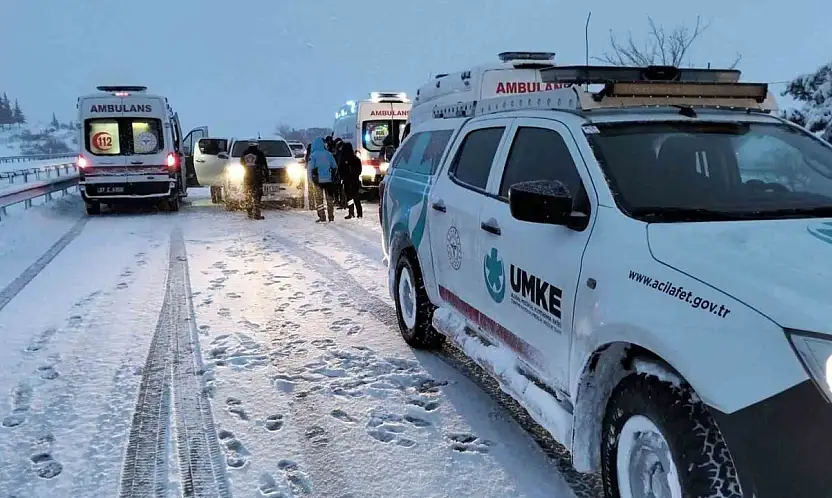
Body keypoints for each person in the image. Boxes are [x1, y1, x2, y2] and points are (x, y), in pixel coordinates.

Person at [308, 137, 337, 222]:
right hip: (328, 180)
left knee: (319, 200)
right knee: (329, 199)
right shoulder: (329, 154)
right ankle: (331, 216)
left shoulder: (313, 155)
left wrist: (311, 179)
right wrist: (332, 176)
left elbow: (310, 169)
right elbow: (335, 166)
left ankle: (322, 217)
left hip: (318, 181)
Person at [240, 142, 269, 220]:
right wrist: (267, 176)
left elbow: (241, 163)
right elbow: (264, 165)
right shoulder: (260, 153)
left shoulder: (244, 153)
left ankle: (249, 212)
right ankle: (257, 213)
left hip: (247, 176)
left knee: (248, 194)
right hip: (257, 176)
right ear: (256, 145)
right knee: (257, 195)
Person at [338, 142, 363, 219]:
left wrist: (342, 178)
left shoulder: (343, 159)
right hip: (355, 180)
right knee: (356, 196)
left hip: (347, 181)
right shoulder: (356, 159)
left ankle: (351, 212)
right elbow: (359, 170)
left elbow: (340, 170)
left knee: (349, 197)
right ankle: (359, 213)